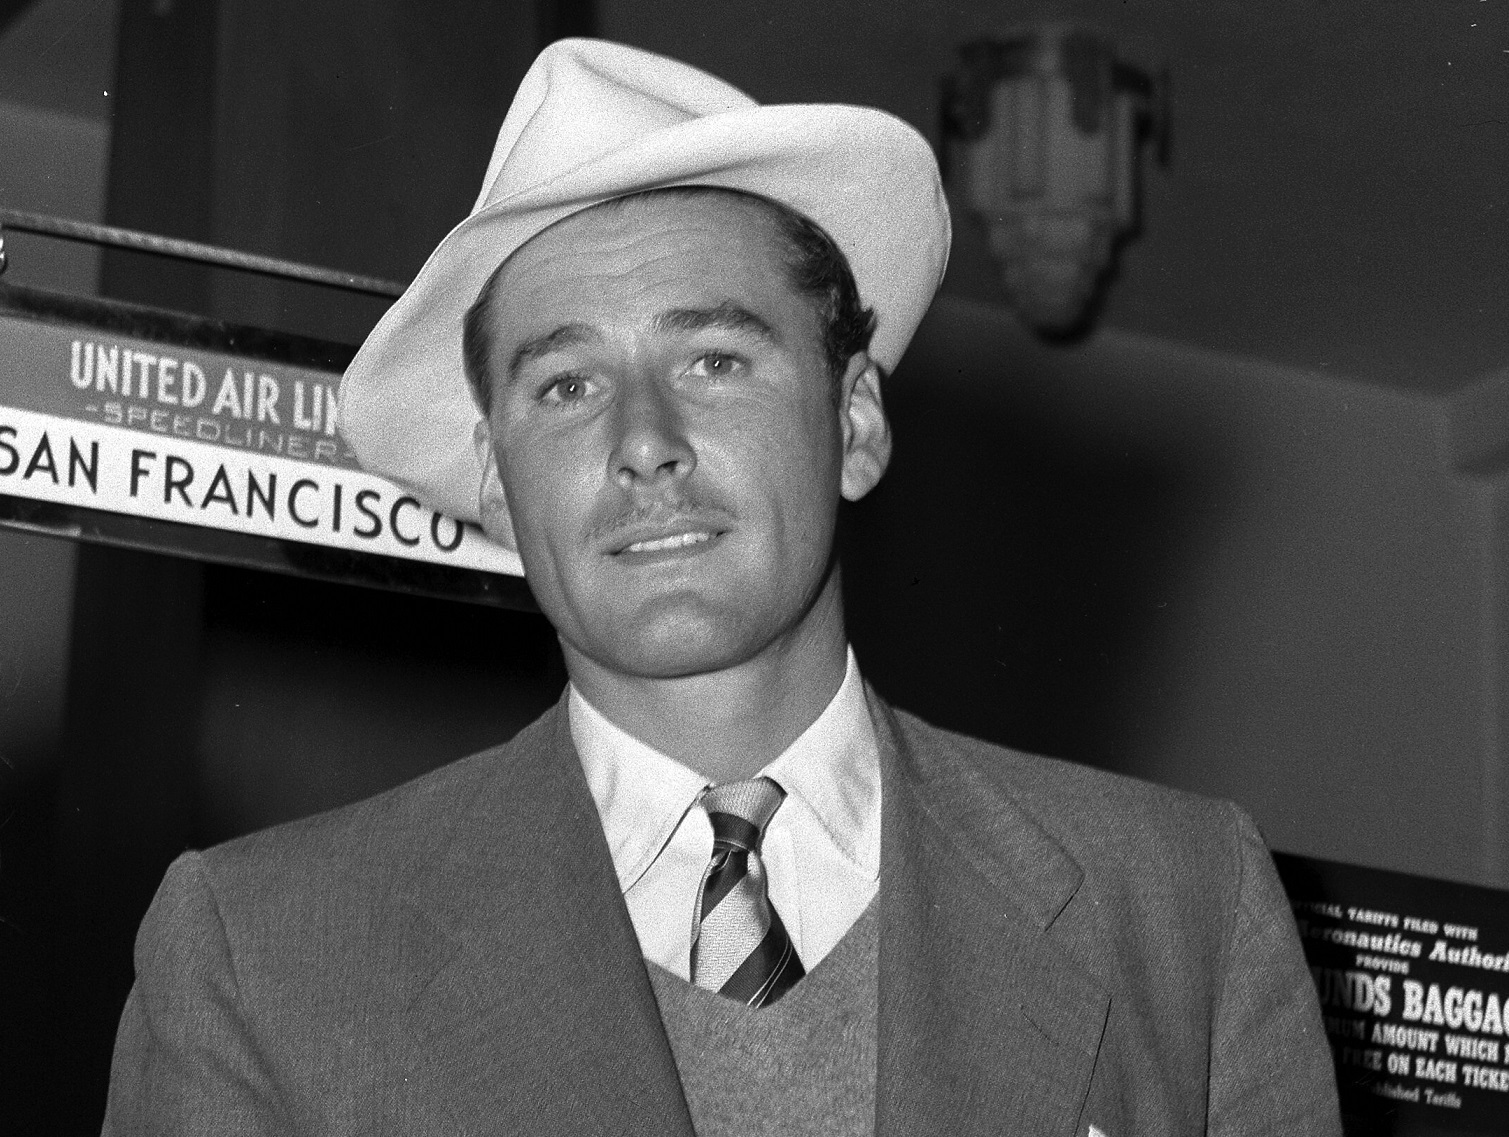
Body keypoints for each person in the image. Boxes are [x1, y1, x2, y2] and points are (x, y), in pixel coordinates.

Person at [103, 38, 1341, 1137]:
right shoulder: (259, 957)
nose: (645, 439)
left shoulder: (1182, 911)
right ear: (493, 481)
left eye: (714, 357)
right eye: (566, 385)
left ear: (853, 421)